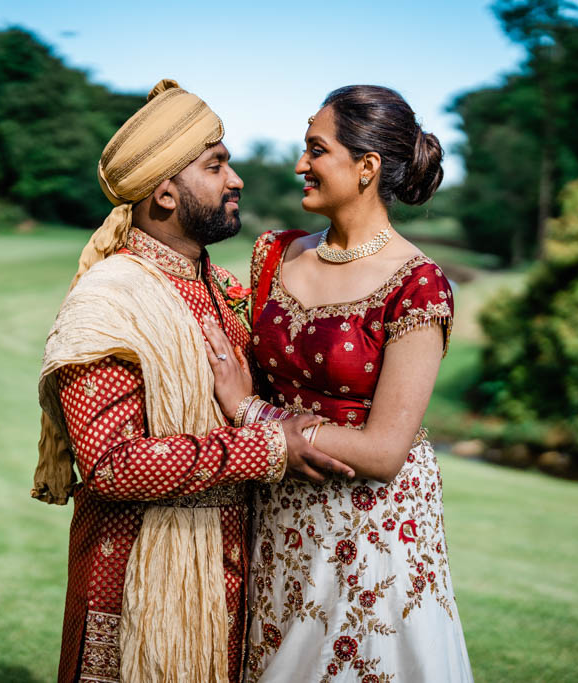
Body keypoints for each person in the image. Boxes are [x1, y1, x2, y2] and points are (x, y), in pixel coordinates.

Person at [32, 79, 352, 683]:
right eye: (216, 165)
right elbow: (111, 464)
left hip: (238, 572)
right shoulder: (109, 302)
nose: (235, 180)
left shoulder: (221, 287)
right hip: (135, 578)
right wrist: (270, 447)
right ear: (165, 193)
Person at [202, 85, 473, 681]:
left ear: (367, 167)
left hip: (372, 528)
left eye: (315, 150)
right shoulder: (276, 253)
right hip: (280, 520)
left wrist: (249, 413)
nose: (300, 165)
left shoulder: (418, 285)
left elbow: (383, 452)